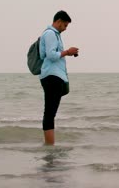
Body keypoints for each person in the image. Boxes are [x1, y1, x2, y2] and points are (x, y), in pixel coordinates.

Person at [39, 10, 79, 145]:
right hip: (51, 76)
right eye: (65, 25)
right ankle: (50, 147)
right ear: (59, 21)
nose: (66, 29)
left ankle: (49, 146)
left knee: (50, 112)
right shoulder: (50, 34)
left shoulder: (54, 34)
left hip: (54, 76)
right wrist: (67, 52)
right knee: (50, 113)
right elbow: (51, 55)